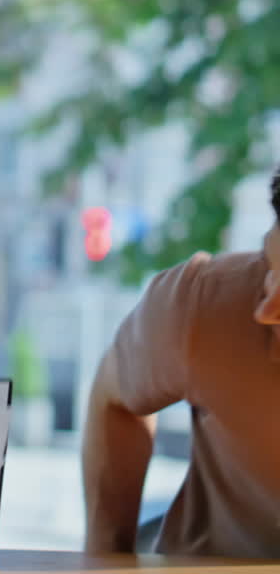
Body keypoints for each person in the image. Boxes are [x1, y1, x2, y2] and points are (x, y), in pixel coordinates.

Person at [82, 166, 280, 557]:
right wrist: (107, 558)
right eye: (272, 265)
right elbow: (113, 395)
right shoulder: (205, 306)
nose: (266, 309)